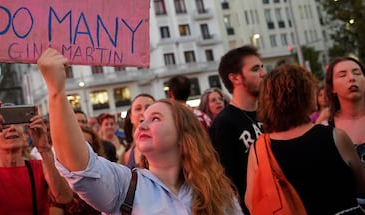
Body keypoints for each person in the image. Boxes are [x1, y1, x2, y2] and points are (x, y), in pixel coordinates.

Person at [37, 48, 243, 214]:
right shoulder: (126, 186)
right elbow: (79, 166)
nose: (142, 125)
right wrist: (56, 92)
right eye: (142, 119)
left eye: (155, 118)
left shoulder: (220, 195)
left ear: (184, 134)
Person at [245, 64, 365, 214]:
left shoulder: (259, 149)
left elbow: (251, 201)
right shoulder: (335, 136)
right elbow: (362, 186)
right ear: (305, 95)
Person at [0, 102, 73, 214]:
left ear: (24, 134)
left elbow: (64, 197)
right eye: (4, 125)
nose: (11, 128)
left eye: (16, 123)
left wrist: (44, 149)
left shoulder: (40, 167)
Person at [209, 45, 265, 214]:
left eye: (262, 67)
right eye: (256, 69)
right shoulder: (223, 124)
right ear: (235, 78)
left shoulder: (271, 113)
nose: (263, 73)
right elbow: (226, 180)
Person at [325, 56, 365, 208]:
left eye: (357, 73)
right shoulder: (325, 129)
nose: (351, 78)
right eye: (342, 75)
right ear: (332, 87)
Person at [122, 93, 155, 169]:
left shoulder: (168, 146)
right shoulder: (127, 155)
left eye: (148, 107)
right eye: (138, 109)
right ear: (131, 117)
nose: (143, 112)